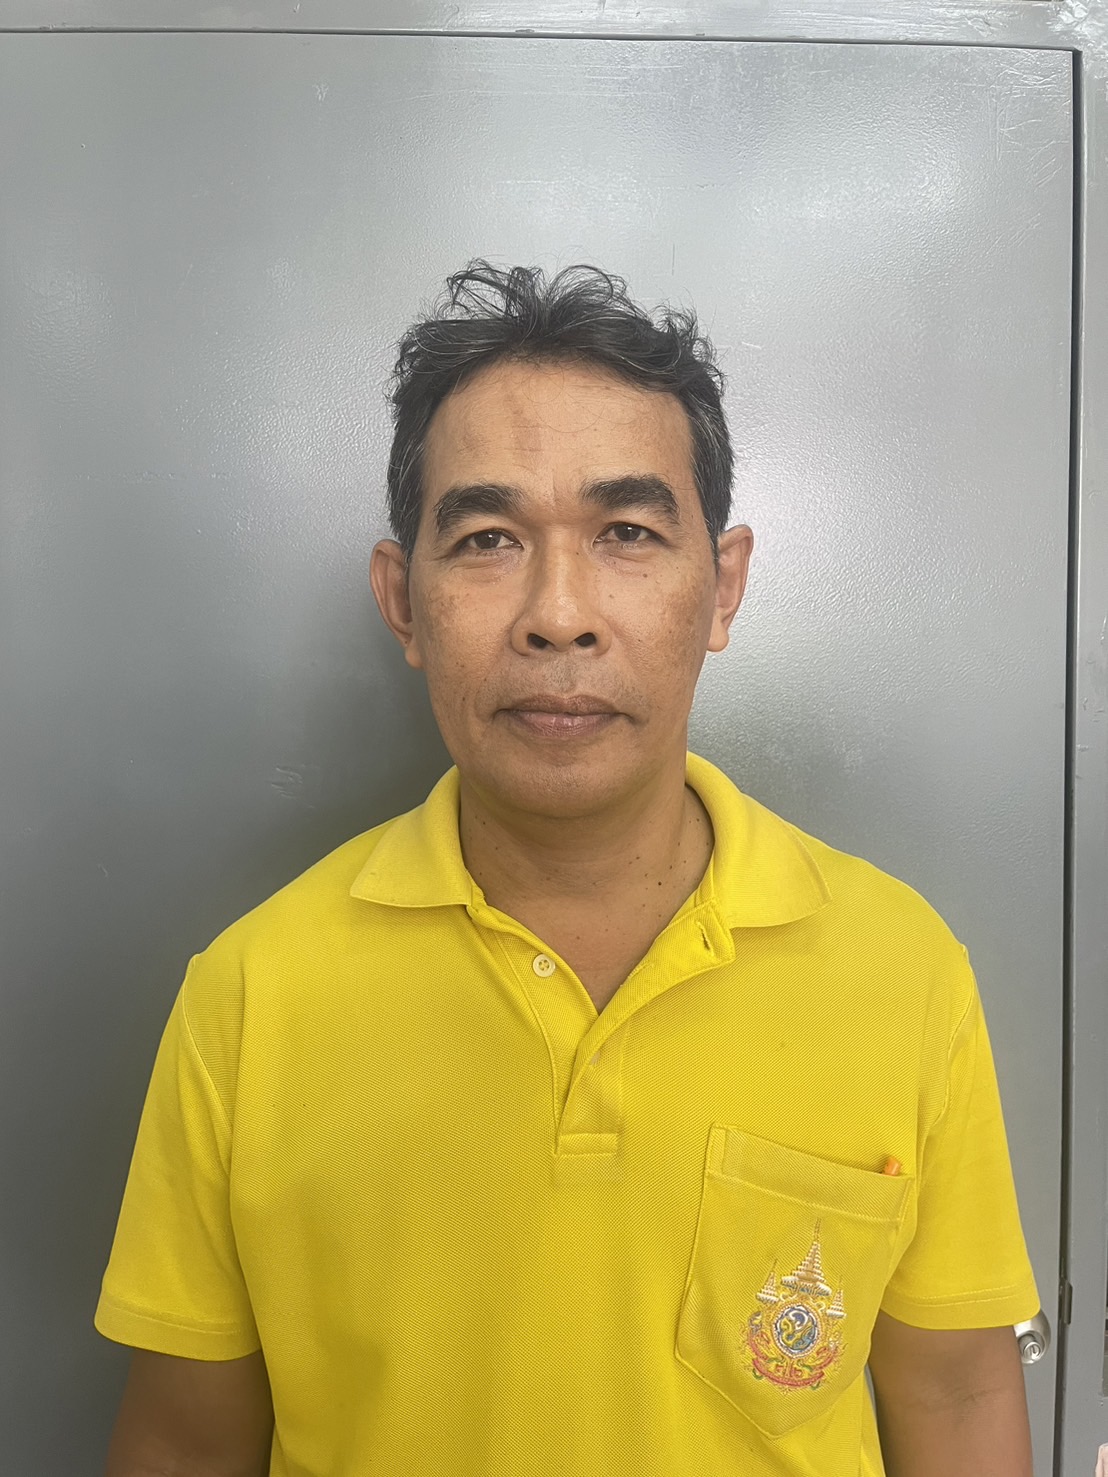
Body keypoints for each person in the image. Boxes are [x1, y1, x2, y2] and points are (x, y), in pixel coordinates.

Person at [96, 261, 1039, 1477]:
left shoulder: (899, 967)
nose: (559, 613)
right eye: (487, 538)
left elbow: (957, 1395)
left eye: (626, 533)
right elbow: (184, 1442)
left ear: (723, 587)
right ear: (402, 602)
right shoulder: (251, 994)